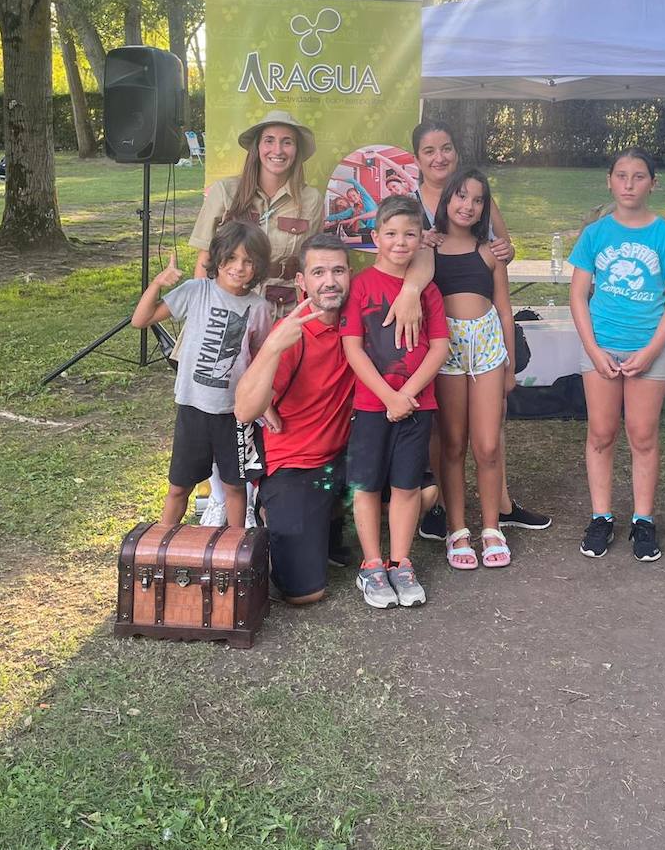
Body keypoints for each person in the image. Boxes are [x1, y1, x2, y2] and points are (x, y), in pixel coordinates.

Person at [410, 119, 551, 536]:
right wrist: (421, 244)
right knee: (446, 434)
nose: (439, 157)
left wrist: (504, 250)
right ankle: (446, 515)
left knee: (488, 436)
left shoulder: (476, 199)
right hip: (441, 341)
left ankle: (497, 511)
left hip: (485, 340)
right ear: (417, 159)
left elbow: (503, 252)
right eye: (429, 151)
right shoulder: (413, 208)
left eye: (446, 147)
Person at [569, 148, 665, 563]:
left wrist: (652, 350)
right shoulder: (596, 235)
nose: (629, 184)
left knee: (642, 435)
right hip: (601, 347)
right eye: (621, 176)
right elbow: (578, 295)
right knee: (601, 434)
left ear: (652, 183)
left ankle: (643, 520)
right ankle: (601, 516)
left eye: (639, 177)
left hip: (648, 350)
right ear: (609, 180)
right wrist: (593, 350)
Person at [340, 196, 449, 609]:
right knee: (366, 483)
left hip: (418, 405)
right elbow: (354, 348)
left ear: (422, 239)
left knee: (407, 484)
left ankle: (401, 562)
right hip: (371, 405)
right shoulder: (361, 287)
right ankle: (371, 565)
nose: (400, 242)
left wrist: (408, 396)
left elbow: (439, 348)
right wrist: (388, 396)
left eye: (410, 234)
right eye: (391, 234)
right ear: (375, 238)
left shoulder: (428, 291)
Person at [234, 234, 355, 604]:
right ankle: (277, 511)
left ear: (351, 275)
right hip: (296, 464)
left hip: (346, 457)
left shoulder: (358, 321)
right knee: (305, 594)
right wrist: (271, 347)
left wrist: (413, 290)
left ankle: (331, 516)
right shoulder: (292, 333)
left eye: (338, 271)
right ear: (302, 282)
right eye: (318, 272)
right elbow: (243, 410)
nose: (329, 281)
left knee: (425, 491)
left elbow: (413, 257)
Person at [131, 221, 272, 530]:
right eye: (231, 258)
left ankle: (235, 556)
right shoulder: (197, 291)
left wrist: (266, 407)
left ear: (259, 266)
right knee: (179, 487)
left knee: (236, 488)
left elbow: (262, 362)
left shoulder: (260, 308)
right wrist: (157, 284)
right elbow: (140, 320)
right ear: (217, 258)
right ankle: (159, 551)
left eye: (249, 261)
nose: (239, 267)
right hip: (193, 410)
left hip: (235, 414)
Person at [433, 168, 516, 569]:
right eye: (461, 196)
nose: (468, 206)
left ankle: (490, 527)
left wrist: (510, 366)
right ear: (447, 199)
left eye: (478, 200)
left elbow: (504, 309)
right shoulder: (427, 249)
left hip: (486, 349)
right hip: (444, 350)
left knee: (487, 445)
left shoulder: (489, 252)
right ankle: (456, 530)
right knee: (453, 443)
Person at [188, 108, 323, 314]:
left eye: (287, 142)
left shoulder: (311, 200)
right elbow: (205, 257)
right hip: (226, 304)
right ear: (257, 147)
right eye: (269, 140)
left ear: (296, 150)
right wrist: (199, 310)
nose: (277, 150)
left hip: (281, 308)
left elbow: (313, 262)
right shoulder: (225, 191)